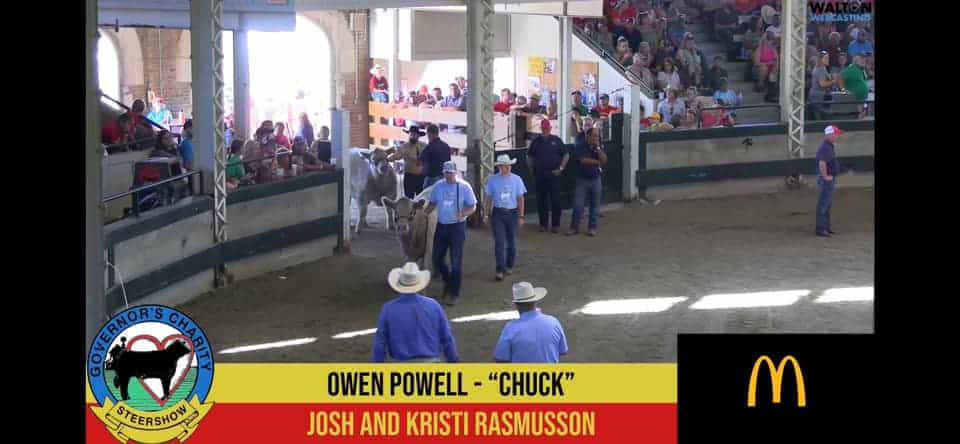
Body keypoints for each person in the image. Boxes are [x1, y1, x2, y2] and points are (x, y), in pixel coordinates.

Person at [372, 262, 459, 363]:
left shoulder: (388, 309)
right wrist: (454, 362)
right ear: (419, 283)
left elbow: (380, 343)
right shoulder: (434, 305)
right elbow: (447, 338)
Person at [425, 161, 477, 305]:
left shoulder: (464, 187)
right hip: (441, 226)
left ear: (456, 172)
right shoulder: (438, 186)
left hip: (457, 227)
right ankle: (448, 281)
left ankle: (454, 293)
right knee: (437, 258)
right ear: (443, 173)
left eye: (451, 173)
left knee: (456, 262)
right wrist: (423, 215)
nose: (448, 175)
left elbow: (472, 206)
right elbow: (432, 203)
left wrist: (464, 213)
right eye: (446, 173)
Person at [494, 282, 568, 363]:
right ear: (535, 301)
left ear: (516, 304)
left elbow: (500, 358)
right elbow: (563, 351)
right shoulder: (554, 322)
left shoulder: (510, 328)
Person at [483, 155, 527, 281]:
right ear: (500, 167)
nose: (507, 168)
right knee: (499, 242)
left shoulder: (517, 179)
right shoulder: (493, 180)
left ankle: (509, 264)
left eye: (508, 165)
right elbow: (488, 198)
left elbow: (520, 198)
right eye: (504, 166)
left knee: (511, 242)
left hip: (512, 212)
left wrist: (521, 215)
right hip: (498, 212)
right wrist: (486, 213)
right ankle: (500, 269)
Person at [526, 119, 568, 234]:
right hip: (540, 174)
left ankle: (555, 224)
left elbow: (566, 154)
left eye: (547, 128)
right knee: (541, 200)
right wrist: (531, 169)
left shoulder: (556, 140)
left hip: (553, 174)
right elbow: (529, 156)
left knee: (556, 200)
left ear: (550, 128)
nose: (545, 130)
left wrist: (561, 168)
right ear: (541, 129)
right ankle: (543, 224)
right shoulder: (536, 141)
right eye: (543, 128)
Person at [567, 127, 607, 237]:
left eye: (597, 136)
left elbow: (604, 160)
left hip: (595, 179)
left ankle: (592, 228)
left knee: (595, 205)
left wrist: (598, 148)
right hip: (582, 179)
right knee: (578, 205)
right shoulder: (581, 145)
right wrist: (597, 162)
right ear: (588, 136)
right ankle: (574, 227)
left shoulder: (599, 146)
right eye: (594, 136)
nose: (596, 138)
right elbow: (583, 160)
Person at [815, 125, 842, 237]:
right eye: (835, 134)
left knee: (826, 203)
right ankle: (821, 228)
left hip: (829, 177)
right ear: (829, 134)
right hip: (827, 179)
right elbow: (822, 163)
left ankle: (825, 227)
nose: (837, 136)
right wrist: (825, 176)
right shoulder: (826, 147)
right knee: (824, 204)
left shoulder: (828, 146)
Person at [389, 125, 427, 198]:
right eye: (411, 134)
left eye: (415, 134)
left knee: (421, 198)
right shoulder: (404, 146)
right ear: (409, 134)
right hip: (409, 175)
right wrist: (387, 159)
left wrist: (410, 157)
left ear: (418, 136)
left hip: (421, 176)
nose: (413, 136)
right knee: (409, 197)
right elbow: (396, 155)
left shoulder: (423, 146)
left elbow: (425, 158)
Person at [419, 124, 452, 189]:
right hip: (443, 177)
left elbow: (421, 160)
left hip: (431, 177)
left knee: (427, 197)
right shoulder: (446, 146)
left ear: (429, 134)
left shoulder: (430, 146)